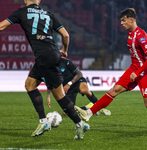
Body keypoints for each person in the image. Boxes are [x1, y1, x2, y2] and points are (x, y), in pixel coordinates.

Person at [75, 8, 147, 130]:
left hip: (145, 73)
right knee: (114, 90)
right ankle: (89, 112)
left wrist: (139, 72)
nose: (121, 23)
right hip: (133, 69)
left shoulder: (141, 36)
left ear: (131, 20)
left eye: (124, 21)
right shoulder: (131, 33)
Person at [0, 0, 89, 139]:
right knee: (29, 85)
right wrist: (64, 50)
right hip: (50, 54)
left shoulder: (21, 12)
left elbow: (1, 26)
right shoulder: (48, 14)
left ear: (25, 0)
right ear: (39, 0)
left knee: (59, 96)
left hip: (44, 56)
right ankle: (43, 121)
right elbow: (66, 35)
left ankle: (80, 124)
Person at [46, 57, 111, 116]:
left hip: (76, 81)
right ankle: (88, 107)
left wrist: (69, 84)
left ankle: (100, 108)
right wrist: (48, 96)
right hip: (68, 89)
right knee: (66, 113)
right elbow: (50, 82)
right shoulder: (50, 69)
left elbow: (79, 73)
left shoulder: (65, 62)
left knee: (84, 90)